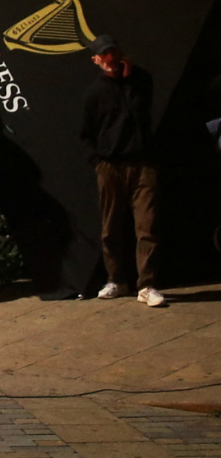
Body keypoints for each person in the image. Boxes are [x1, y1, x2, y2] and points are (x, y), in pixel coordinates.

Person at [80, 35, 164, 307]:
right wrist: (98, 162)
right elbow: (86, 133)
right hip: (110, 165)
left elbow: (139, 114)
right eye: (103, 56)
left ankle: (147, 285)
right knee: (110, 227)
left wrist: (128, 79)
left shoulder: (141, 81)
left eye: (113, 53)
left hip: (142, 164)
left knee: (147, 226)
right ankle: (116, 279)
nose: (109, 60)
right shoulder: (94, 92)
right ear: (95, 60)